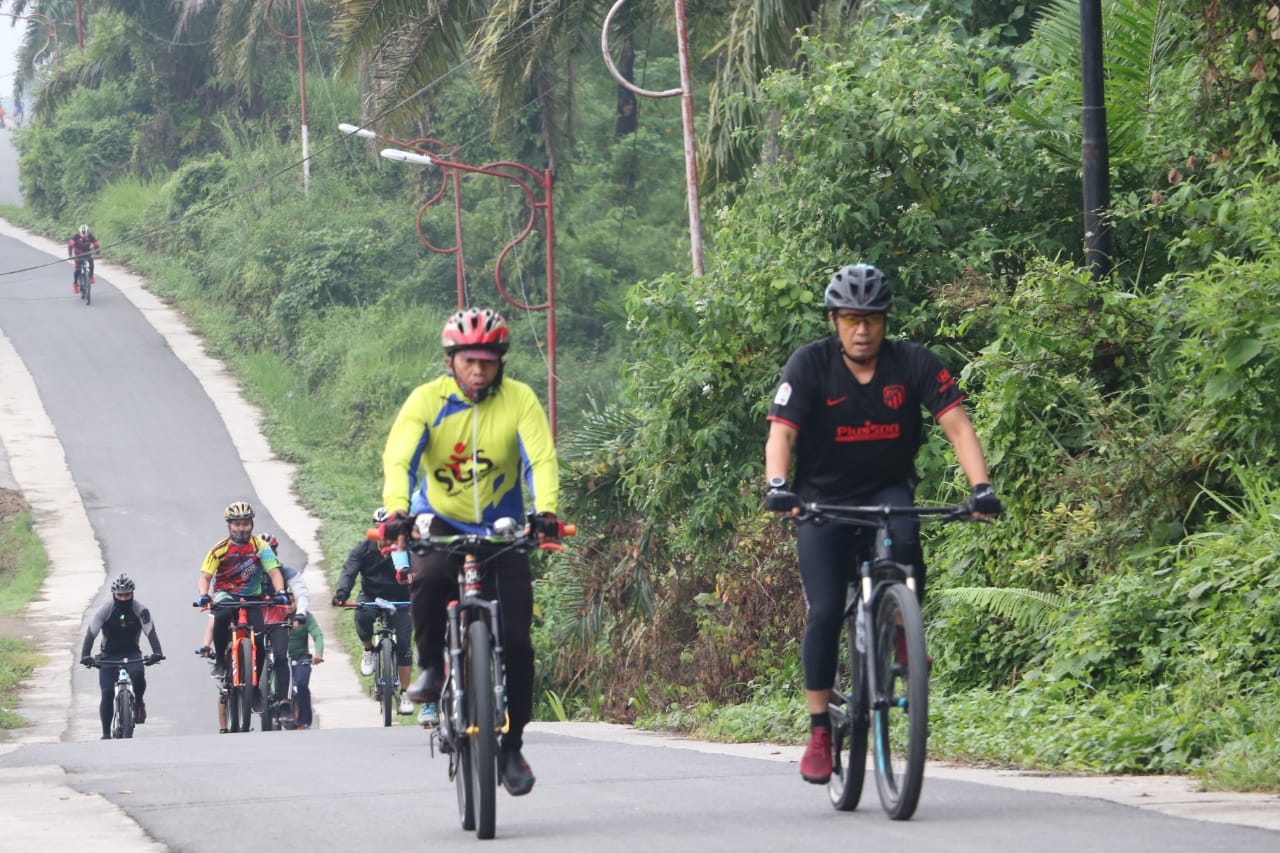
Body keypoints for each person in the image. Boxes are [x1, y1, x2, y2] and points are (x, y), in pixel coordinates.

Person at [762, 263, 1004, 785]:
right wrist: (778, 487)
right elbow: (781, 434)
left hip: (887, 490)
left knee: (907, 535)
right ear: (835, 320)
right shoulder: (808, 365)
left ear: (885, 321)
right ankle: (820, 727)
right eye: (851, 318)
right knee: (825, 610)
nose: (862, 329)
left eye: (872, 318)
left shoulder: (913, 362)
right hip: (823, 500)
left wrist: (981, 489)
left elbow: (958, 427)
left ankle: (901, 628)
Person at [382, 307, 561, 797]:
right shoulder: (427, 400)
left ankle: (512, 746)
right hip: (442, 515)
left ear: (500, 362)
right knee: (430, 576)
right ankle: (432, 666)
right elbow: (400, 457)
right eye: (468, 361)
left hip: (502, 525)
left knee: (519, 643)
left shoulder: (519, 399)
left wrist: (545, 511)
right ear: (451, 361)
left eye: (487, 361)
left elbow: (539, 458)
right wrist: (396, 511)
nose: (478, 371)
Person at [195, 501, 289, 696]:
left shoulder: (260, 547)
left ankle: (254, 689)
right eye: (237, 524)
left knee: (261, 640)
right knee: (222, 615)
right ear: (229, 525)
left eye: (245, 523)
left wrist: (280, 592)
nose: (241, 528)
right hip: (225, 593)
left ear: (252, 525)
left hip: (252, 596)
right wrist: (204, 595)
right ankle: (221, 661)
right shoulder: (219, 549)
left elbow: (274, 572)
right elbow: (205, 577)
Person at [332, 507, 415, 716]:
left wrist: (416, 582)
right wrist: (341, 594)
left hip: (401, 598)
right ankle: (368, 650)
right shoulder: (363, 549)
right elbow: (349, 571)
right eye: (379, 529)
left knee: (404, 644)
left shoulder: (406, 549)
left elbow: (420, 570)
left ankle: (405, 693)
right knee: (362, 616)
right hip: (372, 596)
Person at [80, 574, 165, 739]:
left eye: (127, 595)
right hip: (108, 655)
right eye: (120, 595)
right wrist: (85, 655)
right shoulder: (105, 610)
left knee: (138, 674)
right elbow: (91, 633)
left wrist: (157, 652)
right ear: (114, 594)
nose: (124, 598)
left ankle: (139, 702)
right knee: (107, 692)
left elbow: (150, 632)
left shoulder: (141, 610)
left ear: (133, 593)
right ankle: (105, 734)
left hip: (132, 652)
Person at [287, 598, 324, 729]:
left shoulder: (305, 617)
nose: (289, 605)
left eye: (292, 601)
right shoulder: (274, 614)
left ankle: (305, 720)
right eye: (285, 601)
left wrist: (318, 653)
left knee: (302, 683)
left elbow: (317, 635)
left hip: (300, 657)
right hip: (280, 658)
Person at [67, 224, 100, 294]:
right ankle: (75, 284)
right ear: (79, 232)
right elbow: (70, 246)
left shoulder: (90, 236)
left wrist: (98, 253)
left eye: (86, 233)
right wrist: (70, 255)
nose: (84, 235)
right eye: (83, 233)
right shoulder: (75, 237)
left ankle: (91, 276)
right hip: (78, 255)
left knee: (91, 263)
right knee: (77, 270)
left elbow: (96, 244)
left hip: (87, 253)